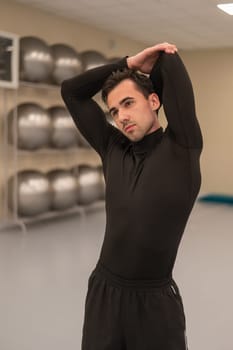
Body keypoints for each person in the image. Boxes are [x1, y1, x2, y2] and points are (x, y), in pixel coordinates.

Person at [61, 42, 203, 350]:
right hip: (104, 294)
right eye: (113, 111)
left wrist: (143, 63)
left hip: (154, 305)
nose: (121, 116)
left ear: (154, 101)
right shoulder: (113, 149)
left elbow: (170, 61)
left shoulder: (182, 148)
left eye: (128, 103)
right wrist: (125, 63)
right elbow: (71, 91)